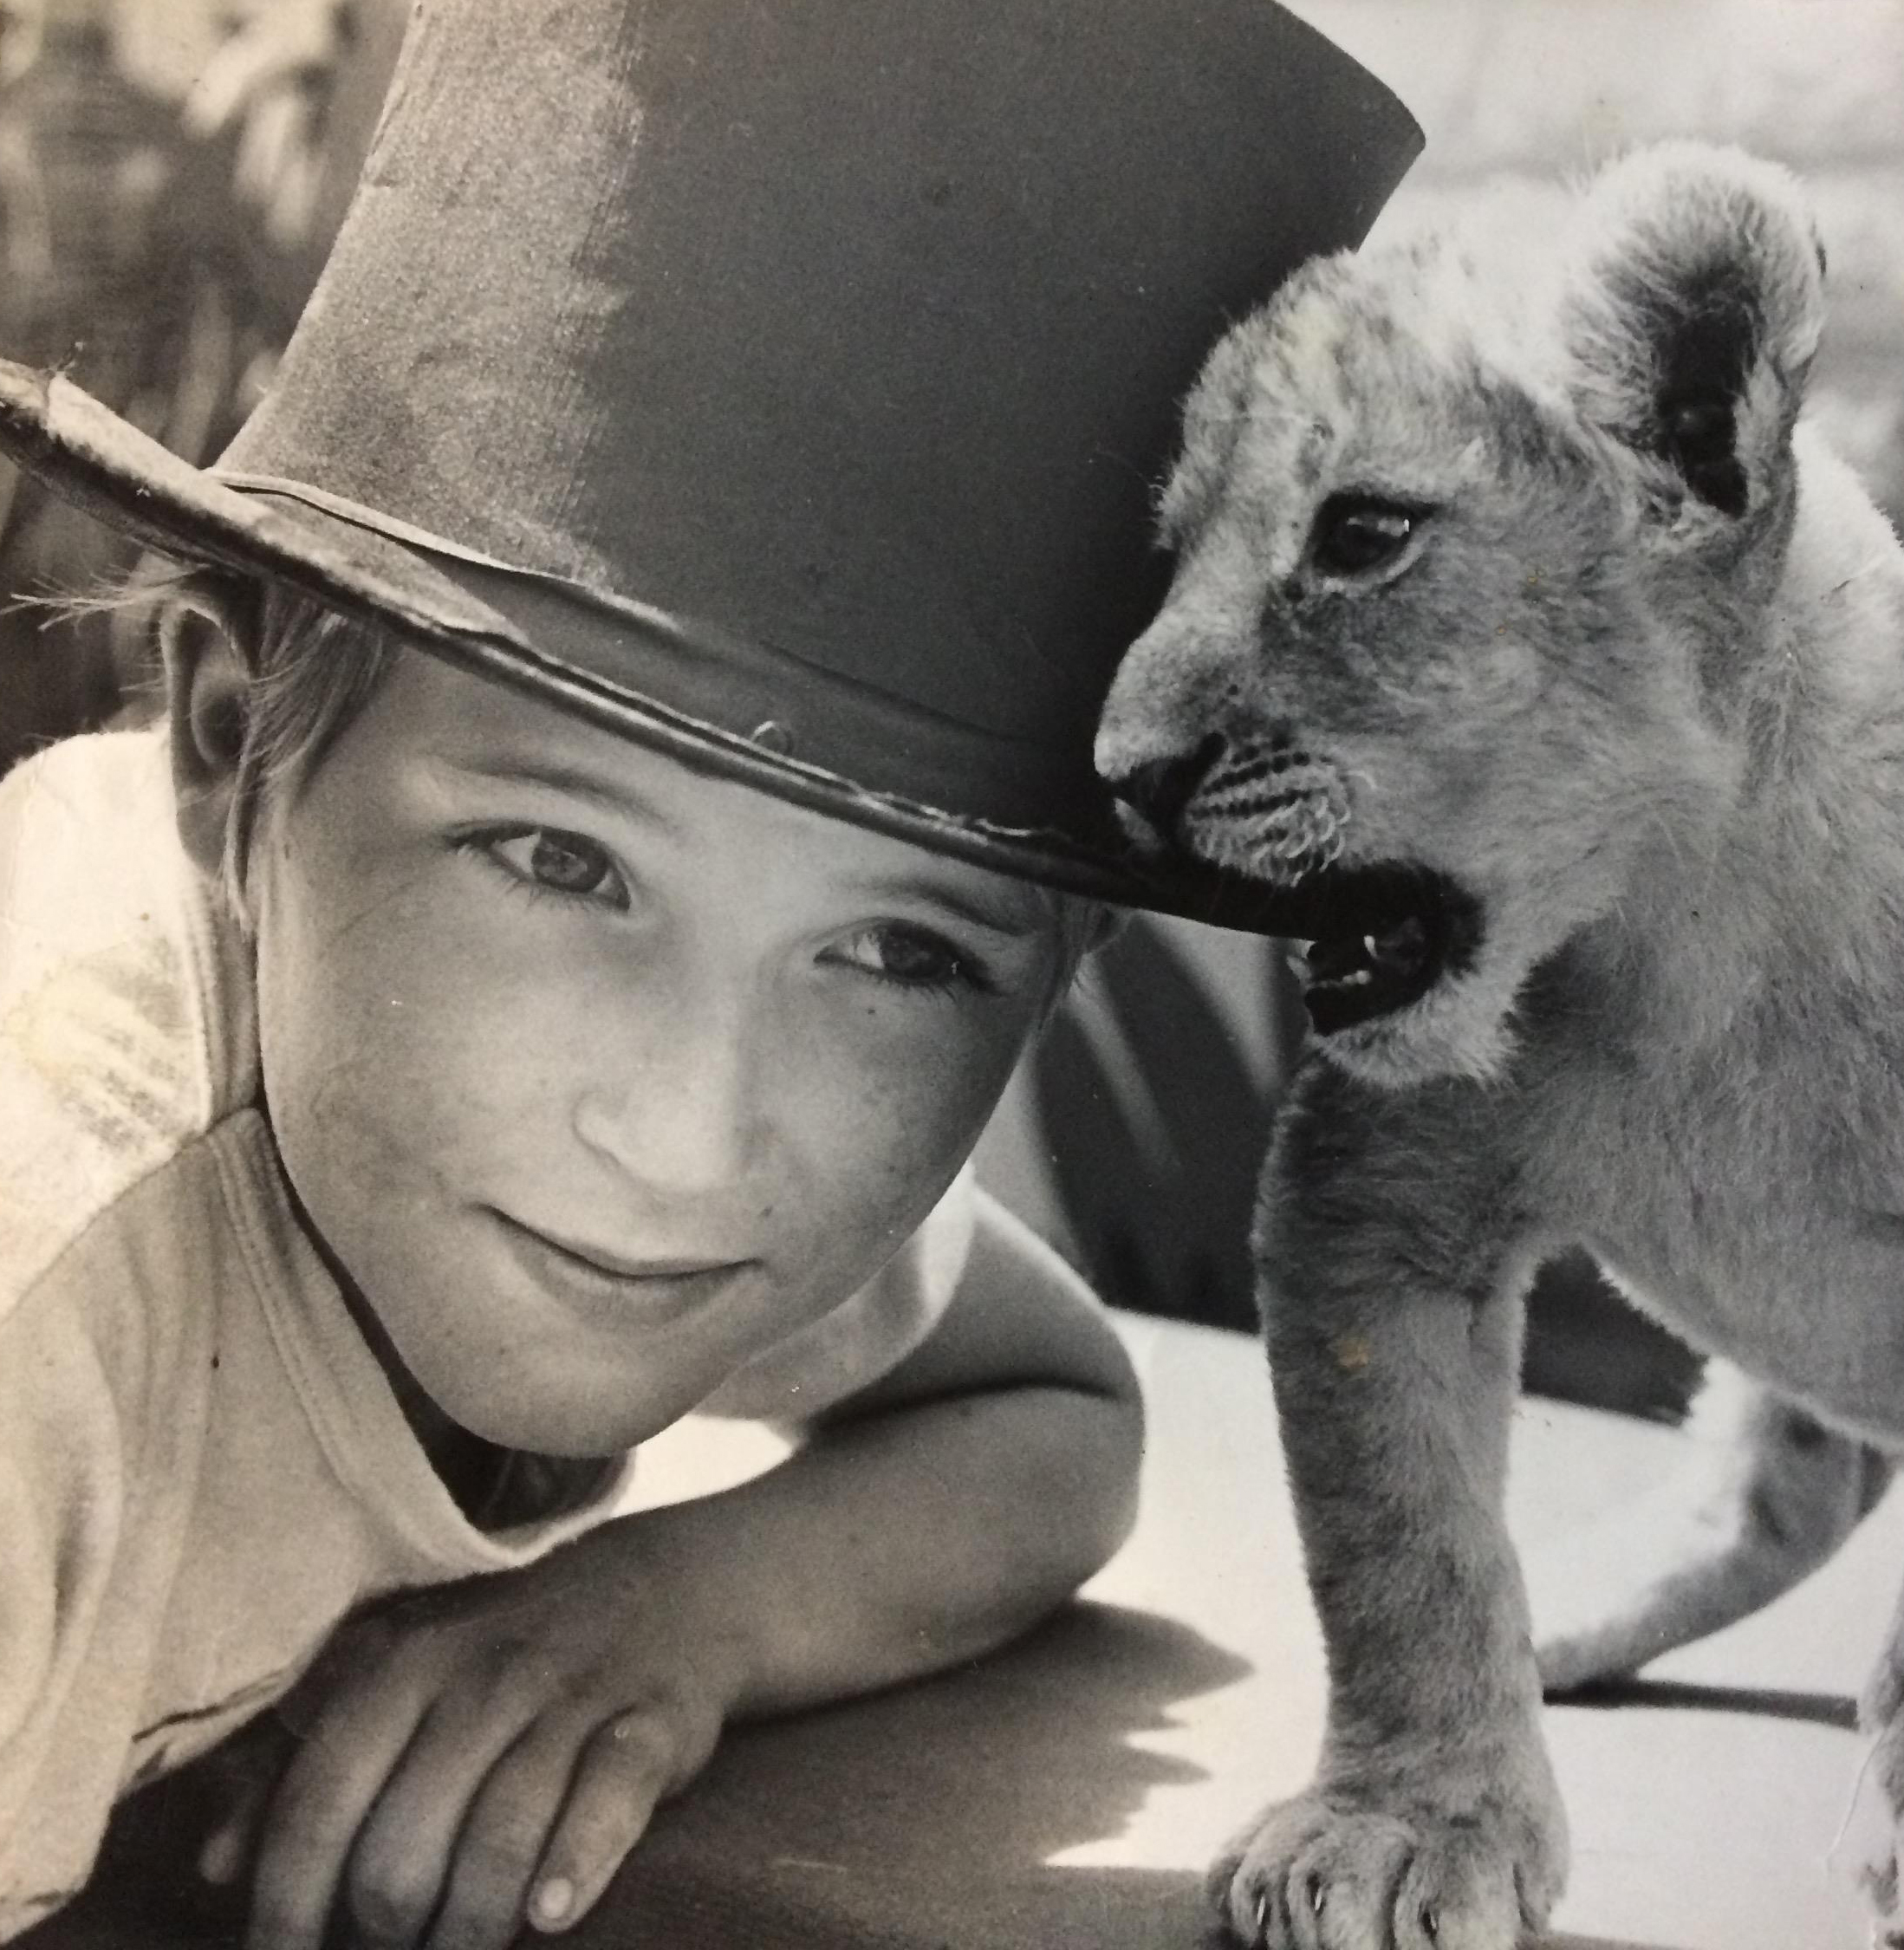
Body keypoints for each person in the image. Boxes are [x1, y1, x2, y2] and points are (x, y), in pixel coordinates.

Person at [0, 3, 1418, 1946]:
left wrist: (673, 1614)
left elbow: (1046, 1419)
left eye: (898, 952)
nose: (690, 1132)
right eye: (559, 859)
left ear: (1062, 961)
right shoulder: (43, 1302)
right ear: (231, 751)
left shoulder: (597, 1185)